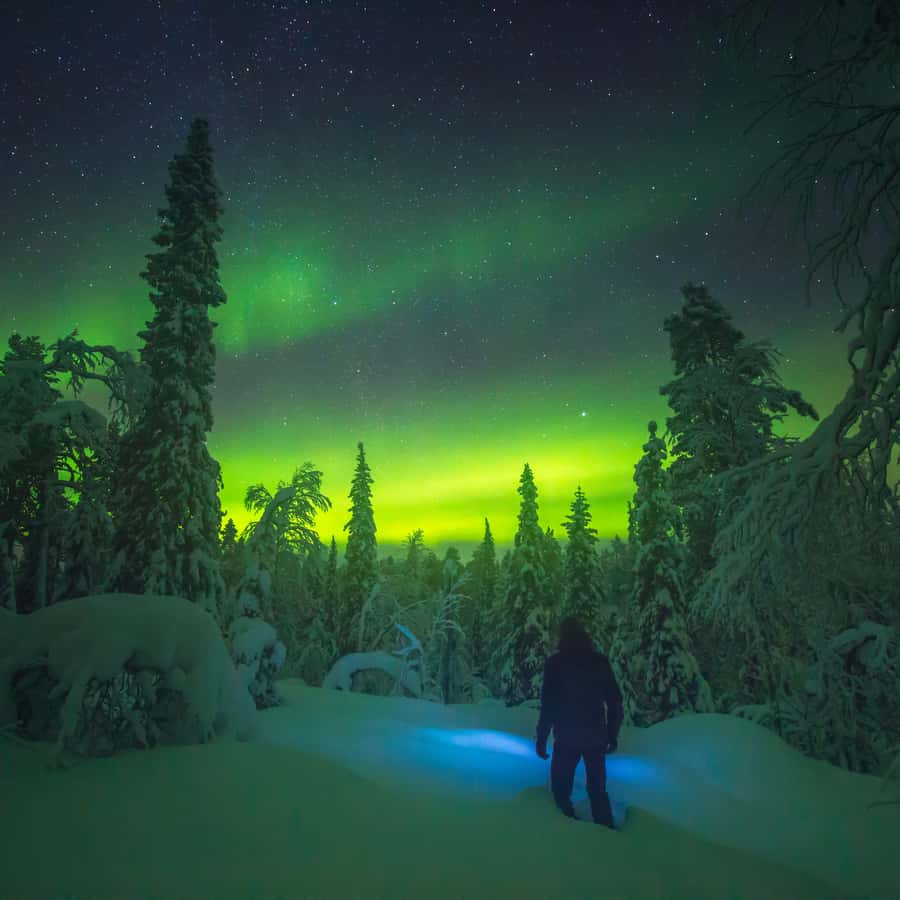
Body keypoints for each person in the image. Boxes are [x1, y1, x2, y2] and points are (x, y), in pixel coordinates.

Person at [535, 616, 623, 828]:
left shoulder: (555, 664)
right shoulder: (599, 662)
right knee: (597, 791)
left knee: (561, 791)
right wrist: (612, 734)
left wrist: (541, 738)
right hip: (595, 738)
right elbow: (615, 701)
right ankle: (607, 834)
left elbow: (548, 705)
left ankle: (567, 834)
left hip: (566, 738)